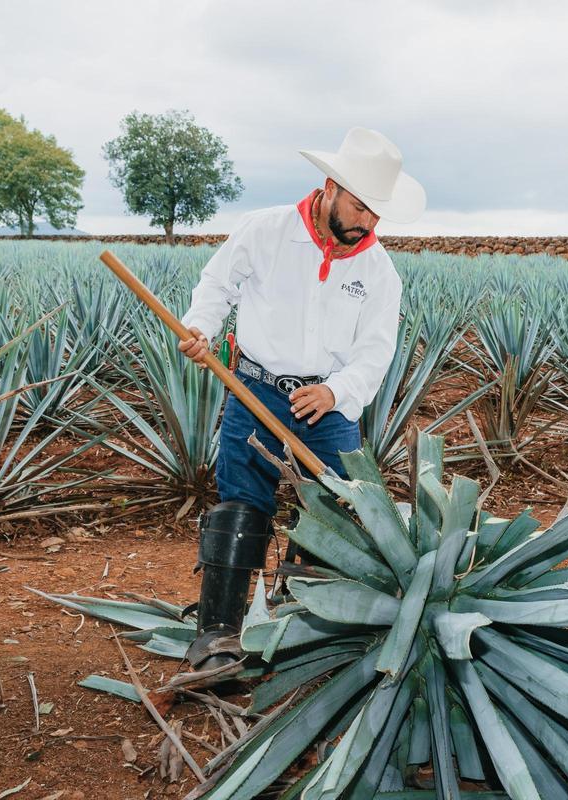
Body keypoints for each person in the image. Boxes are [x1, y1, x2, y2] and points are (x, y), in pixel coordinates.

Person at [177, 127, 425, 667]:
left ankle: (298, 628)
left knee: (332, 514)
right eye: (360, 208)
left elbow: (376, 351)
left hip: (329, 408)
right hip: (255, 390)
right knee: (242, 505)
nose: (367, 224)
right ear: (331, 187)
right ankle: (218, 635)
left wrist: (336, 390)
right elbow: (217, 286)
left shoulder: (378, 268)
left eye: (377, 215)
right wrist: (201, 328)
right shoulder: (264, 230)